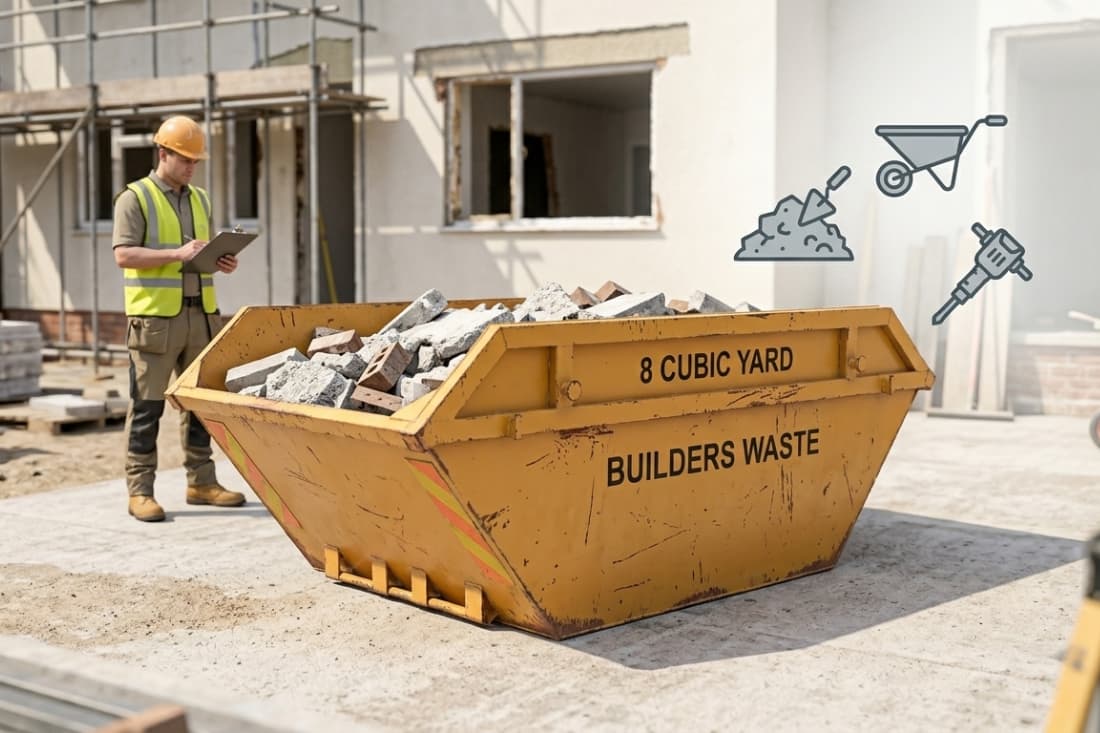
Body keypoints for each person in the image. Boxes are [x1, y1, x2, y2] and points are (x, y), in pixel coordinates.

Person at [112, 115, 245, 522]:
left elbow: (196, 258)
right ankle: (140, 491)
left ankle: (201, 482)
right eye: (185, 159)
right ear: (163, 153)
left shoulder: (200, 199)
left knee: (199, 406)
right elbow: (124, 255)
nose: (191, 167)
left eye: (195, 161)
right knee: (147, 408)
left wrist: (220, 262)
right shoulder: (134, 198)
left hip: (201, 317)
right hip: (154, 322)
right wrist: (177, 254)